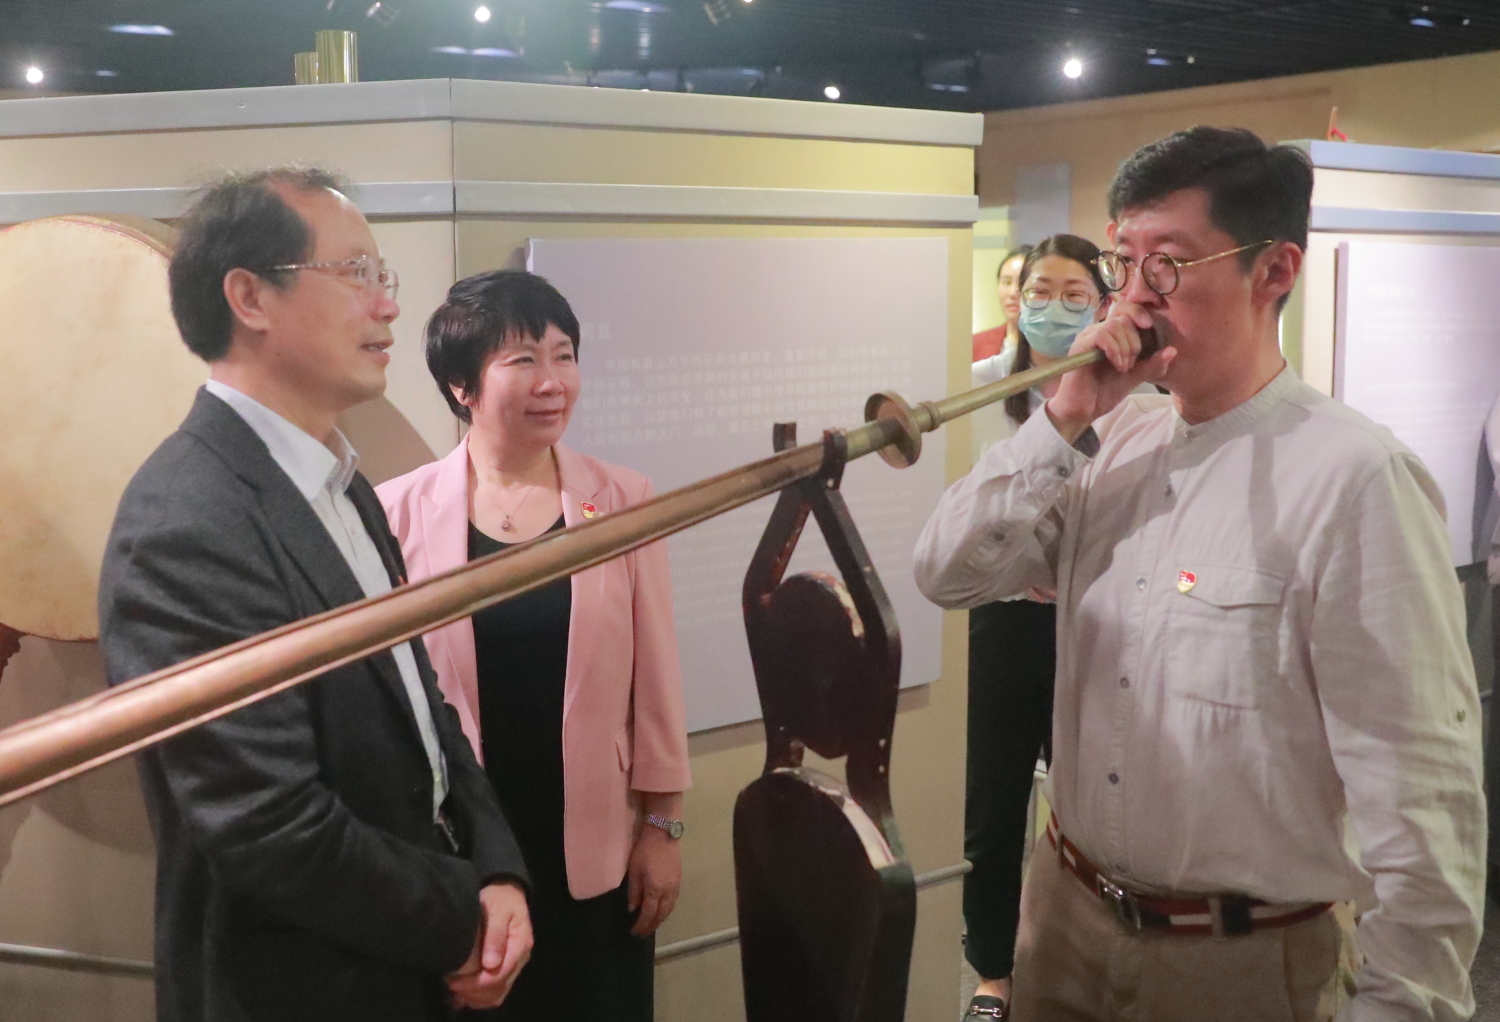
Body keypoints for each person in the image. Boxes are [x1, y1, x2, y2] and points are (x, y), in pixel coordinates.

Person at [916, 127, 1485, 1021]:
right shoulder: (1112, 438)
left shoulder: (1355, 479)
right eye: (1124, 261)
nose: (1134, 298)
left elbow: (1422, 794)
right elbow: (946, 573)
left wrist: (1404, 1002)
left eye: (1169, 265)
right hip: (1064, 920)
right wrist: (1064, 418)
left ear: (1274, 271)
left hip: (1238, 960)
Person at [98, 168, 533, 1022]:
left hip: (399, 966)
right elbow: (265, 823)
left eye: (383, 276)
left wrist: (495, 867)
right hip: (297, 987)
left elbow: (422, 706)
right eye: (356, 273)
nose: (388, 306)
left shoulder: (340, 482)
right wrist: (460, 918)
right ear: (250, 297)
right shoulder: (185, 520)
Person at [377, 269, 691, 1021]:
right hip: (462, 842)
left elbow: (657, 678)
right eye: (523, 360)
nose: (553, 382)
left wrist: (663, 826)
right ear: (462, 386)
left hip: (596, 842)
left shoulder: (622, 499)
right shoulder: (397, 512)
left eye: (564, 355)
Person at [960, 234, 1110, 1022]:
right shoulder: (981, 387)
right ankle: (993, 969)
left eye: (1073, 294)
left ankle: (1073, 956)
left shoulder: (1129, 400)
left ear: (1103, 302)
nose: (1052, 307)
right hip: (1003, 621)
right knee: (993, 804)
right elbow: (964, 512)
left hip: (1092, 624)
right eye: (1039, 291)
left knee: (1085, 801)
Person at [972, 245, 1032, 363]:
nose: (1013, 293)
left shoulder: (1052, 349)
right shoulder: (975, 345)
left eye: (1022, 283)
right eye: (1007, 282)